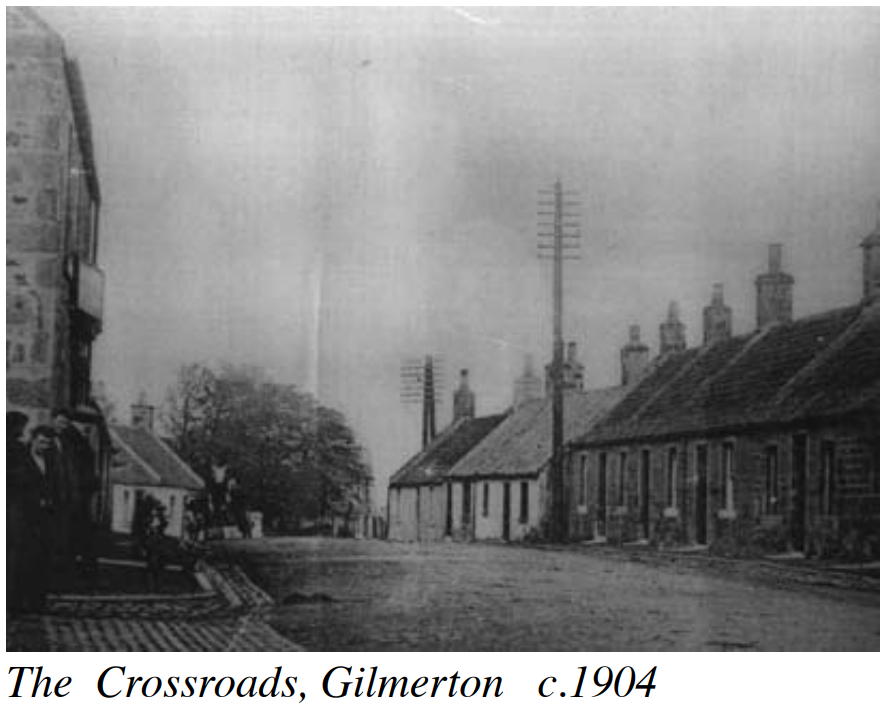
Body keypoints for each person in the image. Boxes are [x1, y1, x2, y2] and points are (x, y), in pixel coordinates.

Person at [12, 425, 64, 612]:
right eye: (41, 442)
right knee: (23, 559)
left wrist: (52, 502)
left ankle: (37, 601)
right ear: (33, 439)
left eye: (47, 444)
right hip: (24, 518)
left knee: (42, 559)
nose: (44, 446)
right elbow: (16, 486)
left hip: (45, 518)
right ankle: (17, 602)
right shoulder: (20, 459)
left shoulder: (50, 461)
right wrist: (35, 500)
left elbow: (55, 485)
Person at [52, 408, 98, 570]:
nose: (88, 427)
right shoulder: (71, 438)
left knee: (77, 530)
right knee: (72, 530)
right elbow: (72, 467)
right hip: (73, 492)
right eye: (84, 423)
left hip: (79, 492)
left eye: (89, 424)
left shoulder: (78, 438)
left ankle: (75, 564)